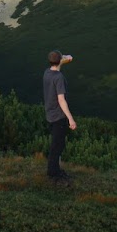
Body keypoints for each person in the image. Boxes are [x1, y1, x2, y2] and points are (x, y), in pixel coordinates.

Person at [43, 50, 76, 186]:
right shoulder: (59, 78)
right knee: (57, 145)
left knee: (57, 144)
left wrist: (64, 59)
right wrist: (70, 119)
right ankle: (53, 173)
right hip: (59, 116)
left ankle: (55, 169)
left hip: (50, 114)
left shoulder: (47, 72)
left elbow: (63, 60)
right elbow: (61, 100)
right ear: (59, 60)